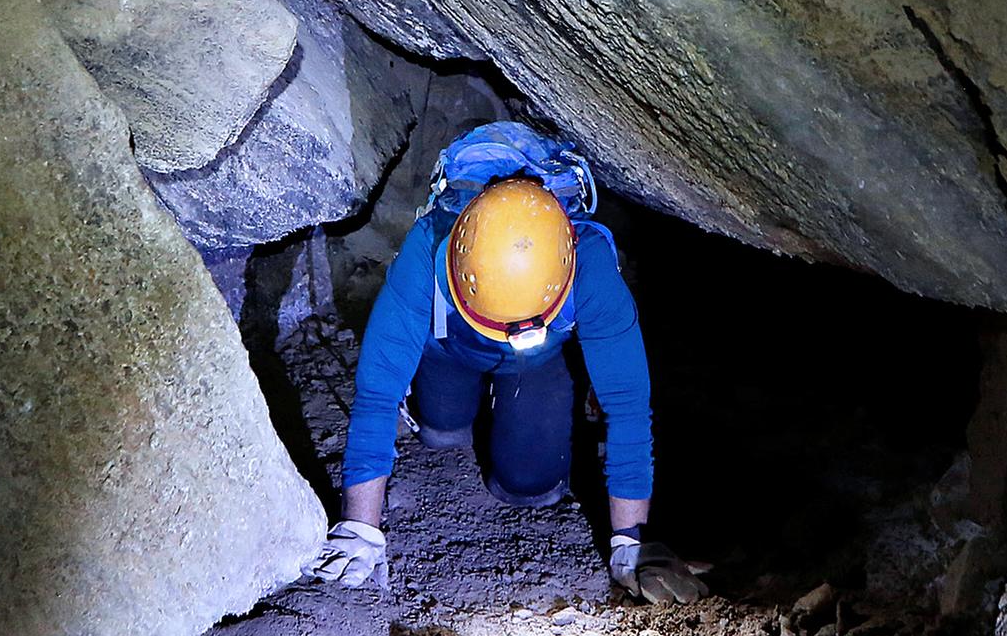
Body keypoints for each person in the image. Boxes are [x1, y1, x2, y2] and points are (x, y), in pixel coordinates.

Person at [302, 121, 708, 603]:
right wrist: (360, 527)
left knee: (530, 485)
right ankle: (444, 401)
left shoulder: (590, 263)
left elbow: (628, 407)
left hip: (534, 366)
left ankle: (514, 410)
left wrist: (629, 542)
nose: (512, 333)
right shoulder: (427, 248)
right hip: (450, 349)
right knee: (442, 430)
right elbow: (376, 394)